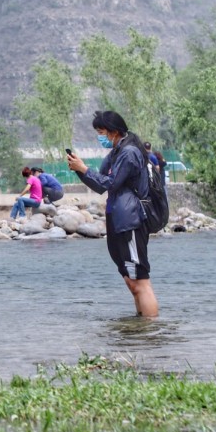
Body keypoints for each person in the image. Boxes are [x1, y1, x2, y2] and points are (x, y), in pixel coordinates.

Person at [66, 111, 159, 317]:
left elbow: (111, 183)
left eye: (101, 132)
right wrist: (80, 170)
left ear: (114, 132)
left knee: (139, 280)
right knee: (130, 280)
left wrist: (84, 169)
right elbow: (100, 184)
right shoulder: (116, 153)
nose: (100, 137)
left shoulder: (129, 153)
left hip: (131, 220)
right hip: (117, 218)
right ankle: (138, 330)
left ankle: (151, 333)